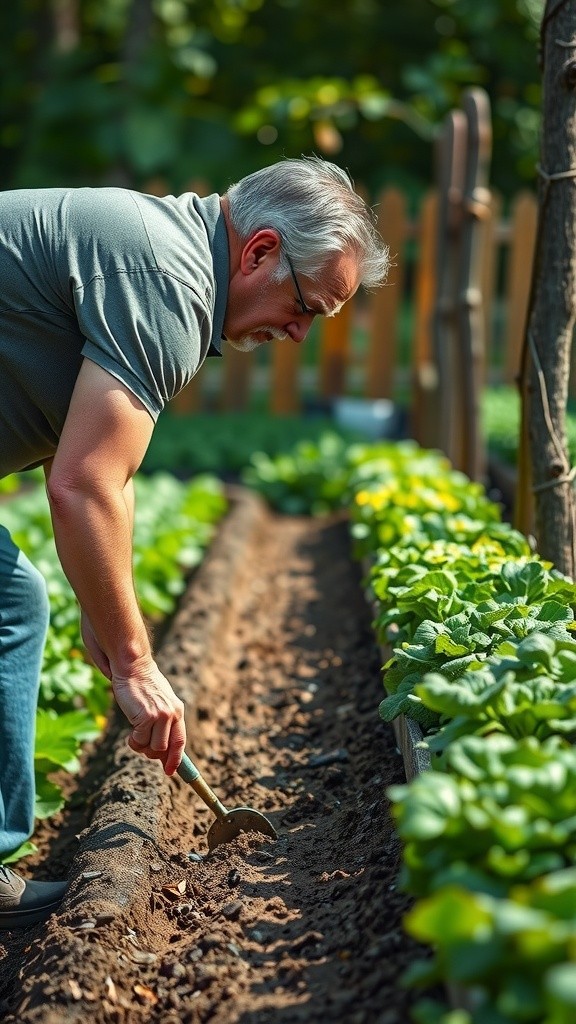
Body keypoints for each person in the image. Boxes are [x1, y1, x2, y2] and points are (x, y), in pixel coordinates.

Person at [0, 155, 389, 928]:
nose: (298, 334)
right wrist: (134, 663)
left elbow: (108, 469)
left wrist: (106, 612)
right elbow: (83, 484)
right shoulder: (168, 281)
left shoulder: (164, 254)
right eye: (305, 306)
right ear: (260, 251)